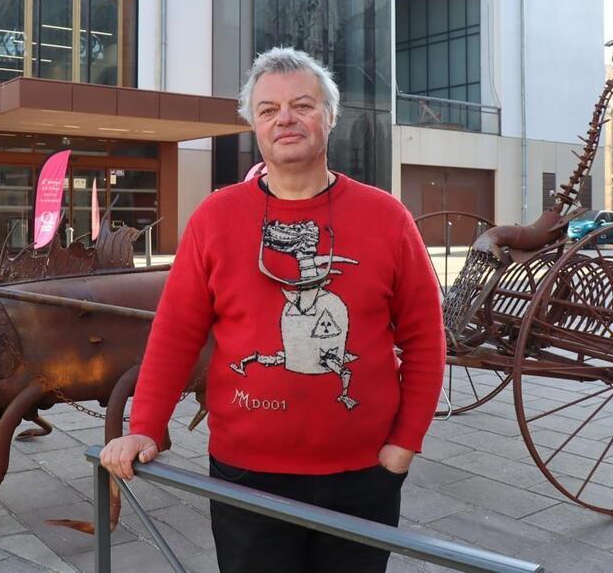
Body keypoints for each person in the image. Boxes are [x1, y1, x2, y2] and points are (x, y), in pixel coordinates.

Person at [100, 47, 445, 572]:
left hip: (363, 477)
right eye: (268, 109)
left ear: (329, 117)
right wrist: (145, 424)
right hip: (247, 477)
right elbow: (176, 332)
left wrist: (404, 445)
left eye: (302, 105)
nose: (285, 118)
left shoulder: (387, 218)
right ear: (254, 126)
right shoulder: (216, 218)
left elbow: (424, 338)